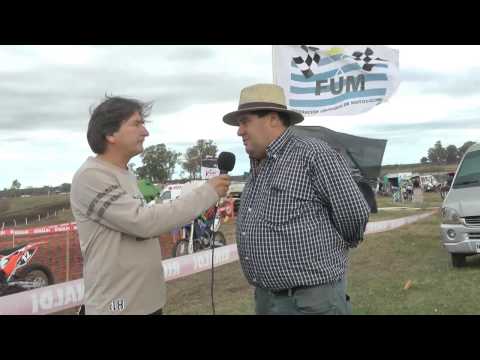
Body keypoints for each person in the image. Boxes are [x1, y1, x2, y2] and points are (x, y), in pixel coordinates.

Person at [70, 96, 230, 315]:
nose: (145, 132)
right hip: (117, 307)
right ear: (110, 134)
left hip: (147, 303)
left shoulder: (125, 174)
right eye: (137, 124)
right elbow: (144, 222)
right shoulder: (92, 176)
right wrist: (207, 192)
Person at [222, 83, 370, 315]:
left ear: (272, 119)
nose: (239, 131)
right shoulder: (257, 166)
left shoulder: (312, 154)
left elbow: (354, 213)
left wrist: (335, 250)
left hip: (311, 301)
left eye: (245, 121)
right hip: (266, 299)